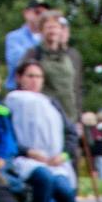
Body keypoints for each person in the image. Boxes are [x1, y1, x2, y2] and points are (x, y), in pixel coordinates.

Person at [5, 60, 84, 202]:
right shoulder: (12, 102)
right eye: (30, 76)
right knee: (44, 178)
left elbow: (70, 133)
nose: (35, 81)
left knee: (65, 190)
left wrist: (64, 155)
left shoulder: (51, 103)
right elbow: (7, 136)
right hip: (25, 160)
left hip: (55, 161)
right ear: (19, 78)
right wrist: (28, 151)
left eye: (38, 77)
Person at [21, 11, 84, 148]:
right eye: (48, 27)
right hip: (44, 116)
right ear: (41, 30)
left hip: (69, 115)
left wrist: (79, 118)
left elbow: (77, 87)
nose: (52, 31)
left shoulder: (72, 55)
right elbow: (23, 84)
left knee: (70, 156)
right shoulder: (33, 54)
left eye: (56, 27)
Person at [4, 0, 49, 88]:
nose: (41, 17)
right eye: (37, 12)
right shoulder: (14, 37)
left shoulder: (49, 39)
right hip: (18, 89)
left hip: (43, 91)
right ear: (26, 13)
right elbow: (17, 61)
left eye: (45, 14)